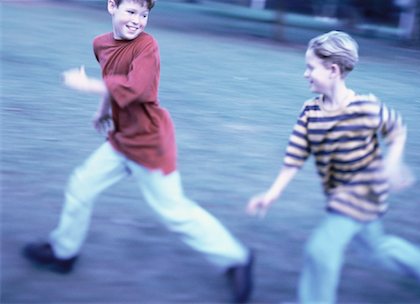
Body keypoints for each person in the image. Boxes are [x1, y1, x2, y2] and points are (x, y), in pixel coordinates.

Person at [22, 0, 253, 302]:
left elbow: (136, 89)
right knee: (81, 185)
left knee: (174, 212)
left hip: (149, 141)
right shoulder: (101, 44)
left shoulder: (148, 47)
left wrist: (84, 85)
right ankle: (64, 253)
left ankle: (237, 259)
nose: (138, 20)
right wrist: (102, 110)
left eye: (144, 14)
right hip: (122, 138)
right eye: (131, 11)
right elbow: (111, 79)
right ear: (112, 7)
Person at [247, 30, 420, 303]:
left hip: (363, 193)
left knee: (321, 249)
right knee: (376, 248)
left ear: (332, 70)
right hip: (339, 193)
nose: (305, 74)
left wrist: (393, 162)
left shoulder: (364, 107)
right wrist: (272, 193)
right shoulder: (310, 112)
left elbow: (397, 129)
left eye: (310, 68)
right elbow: (295, 155)